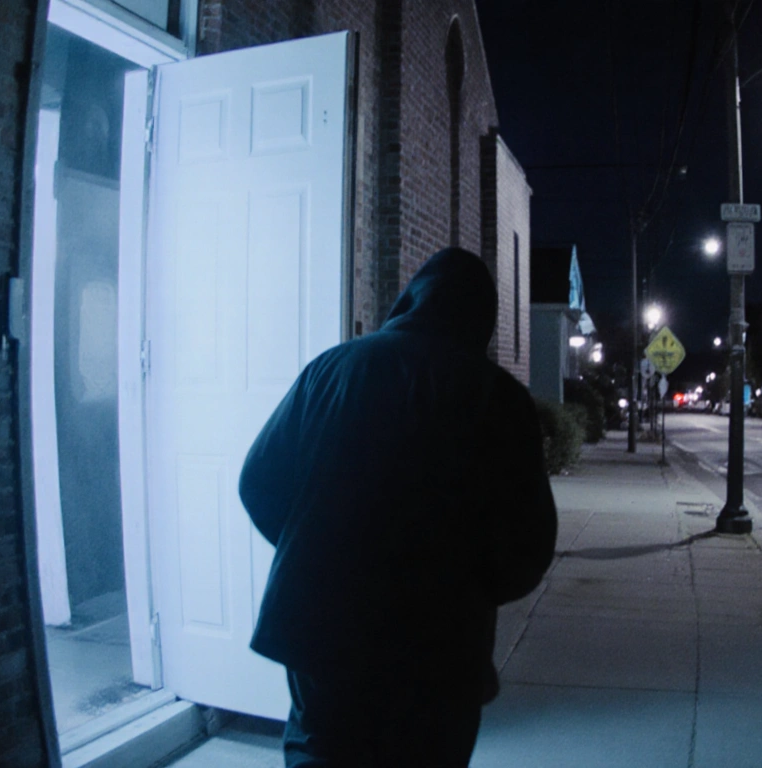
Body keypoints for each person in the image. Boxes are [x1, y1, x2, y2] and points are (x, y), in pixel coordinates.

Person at [238, 247, 558, 767]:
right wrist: (472, 583)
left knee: (322, 749)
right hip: (439, 640)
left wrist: (316, 548)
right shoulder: (498, 399)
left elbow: (258, 481)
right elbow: (529, 543)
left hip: (323, 625)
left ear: (411, 298)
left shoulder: (333, 369)